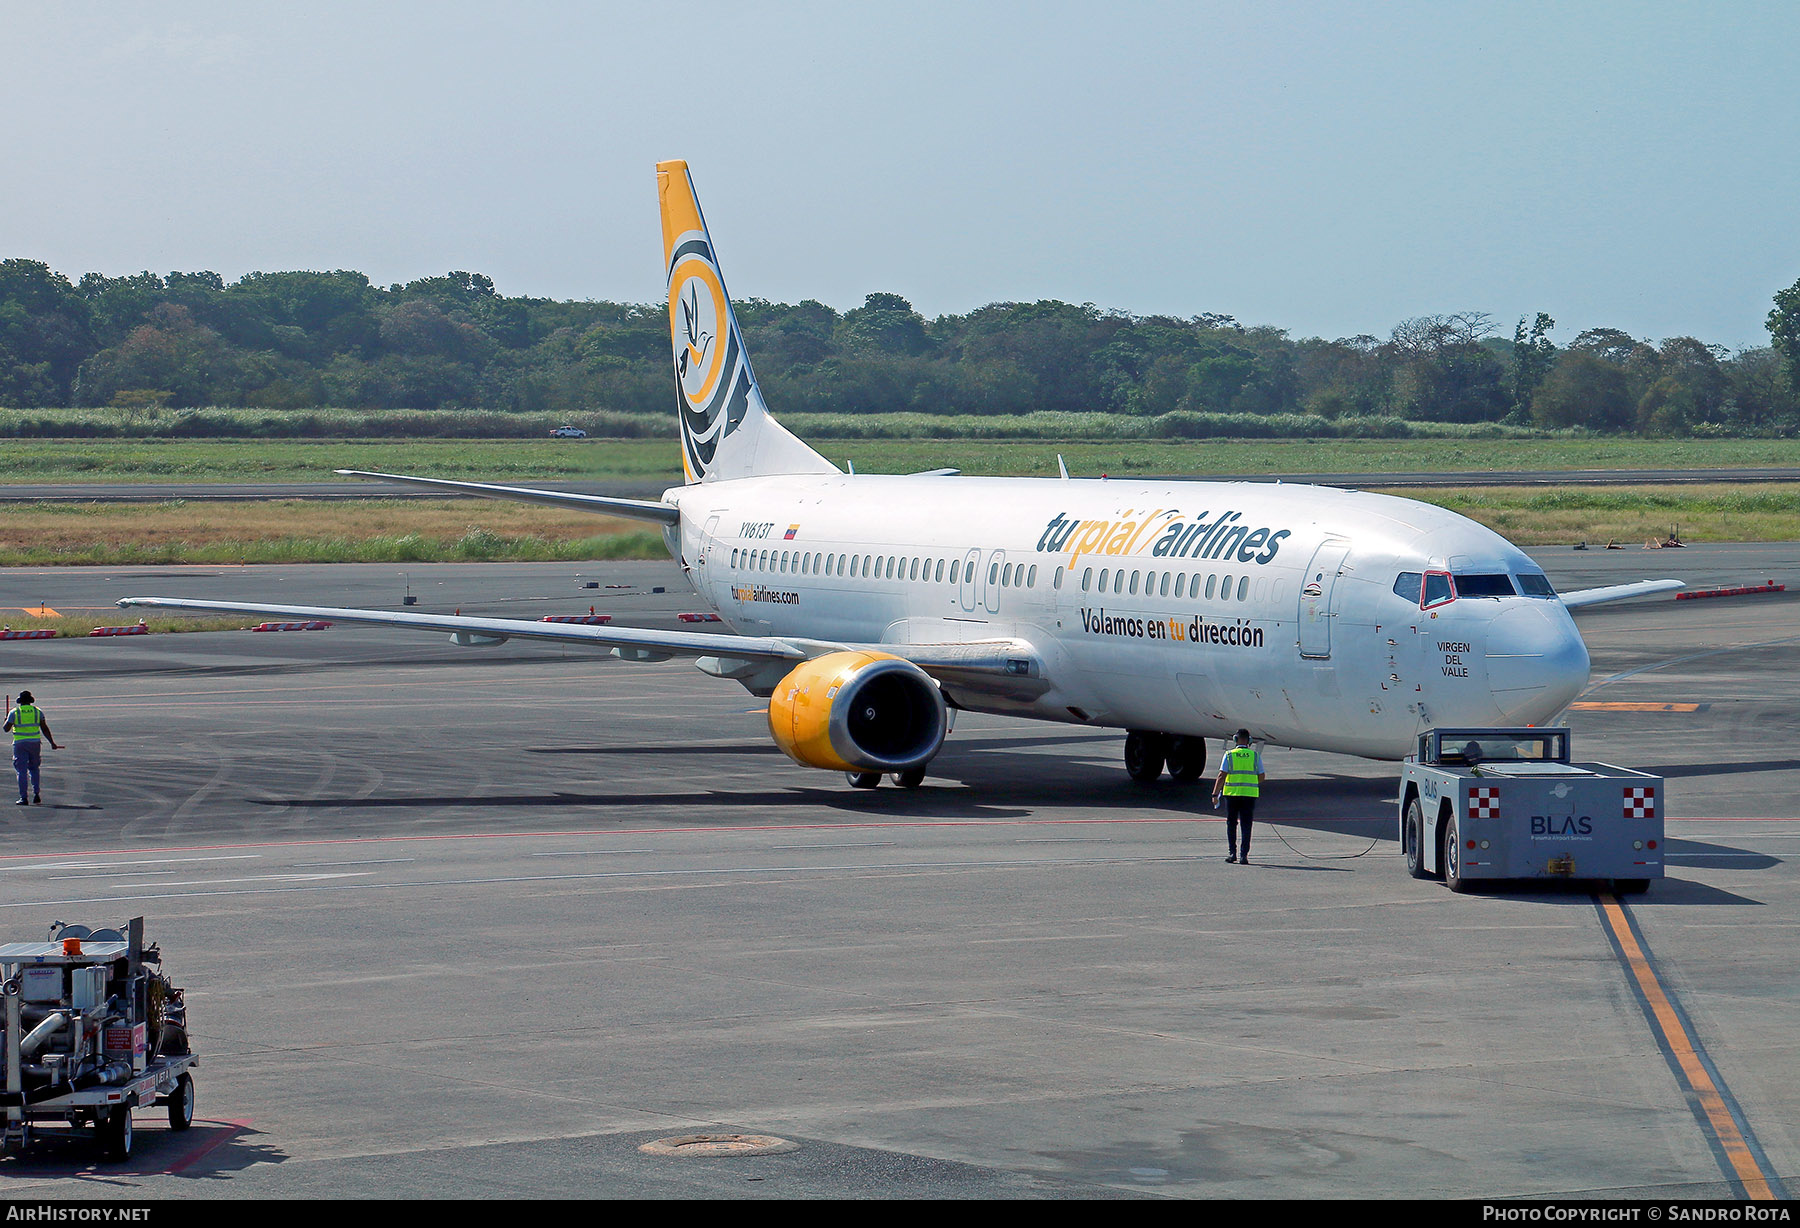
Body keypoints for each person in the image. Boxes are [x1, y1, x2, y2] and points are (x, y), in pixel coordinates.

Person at [1212, 728, 1264, 864]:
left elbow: (1221, 775)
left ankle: (1232, 853)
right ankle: (1244, 856)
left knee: (1231, 824)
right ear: (1249, 741)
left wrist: (1215, 793)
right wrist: (1249, 783)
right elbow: (1262, 776)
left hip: (1232, 795)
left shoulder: (1229, 755)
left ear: (1235, 739)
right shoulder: (1255, 756)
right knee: (1246, 825)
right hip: (1249, 795)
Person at [6, 690, 62, 806]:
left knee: (21, 771)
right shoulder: (37, 712)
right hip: (35, 743)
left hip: (20, 743)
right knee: (34, 768)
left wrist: (6, 720)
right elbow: (44, 728)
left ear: (20, 702)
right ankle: (36, 793)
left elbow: (6, 729)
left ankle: (23, 797)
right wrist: (52, 742)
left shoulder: (14, 712)